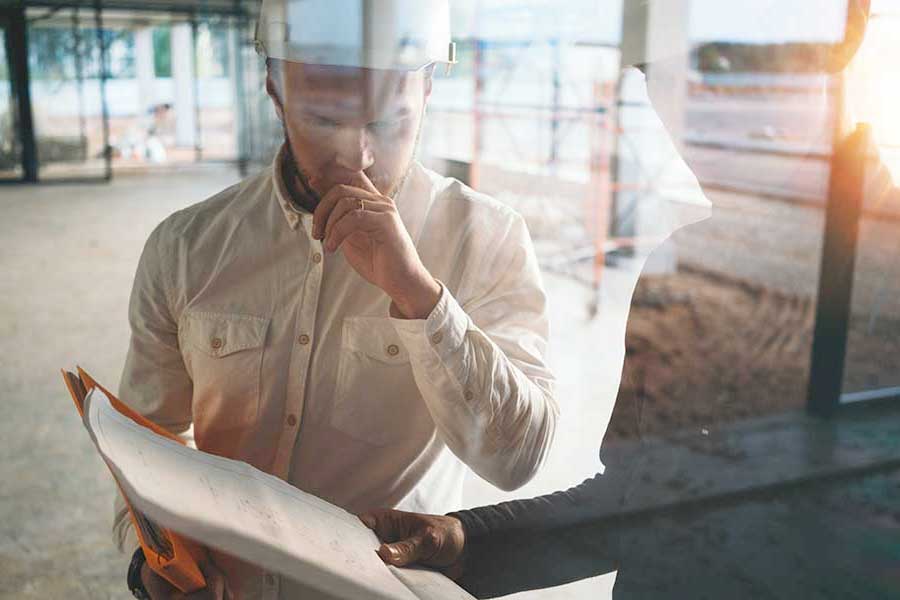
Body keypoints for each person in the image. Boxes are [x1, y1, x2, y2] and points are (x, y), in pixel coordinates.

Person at [358, 1, 879, 598]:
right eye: (661, 86)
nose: (672, 119)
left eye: (709, 72)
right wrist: (464, 538)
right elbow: (635, 500)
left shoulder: (866, 286)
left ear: (824, 73)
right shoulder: (696, 263)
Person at [116, 1, 558, 598]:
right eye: (324, 120)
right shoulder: (187, 246)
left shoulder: (487, 238)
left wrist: (417, 295)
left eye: (388, 122)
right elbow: (147, 441)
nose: (360, 158)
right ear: (274, 89)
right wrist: (157, 560)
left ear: (427, 87)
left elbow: (518, 459)